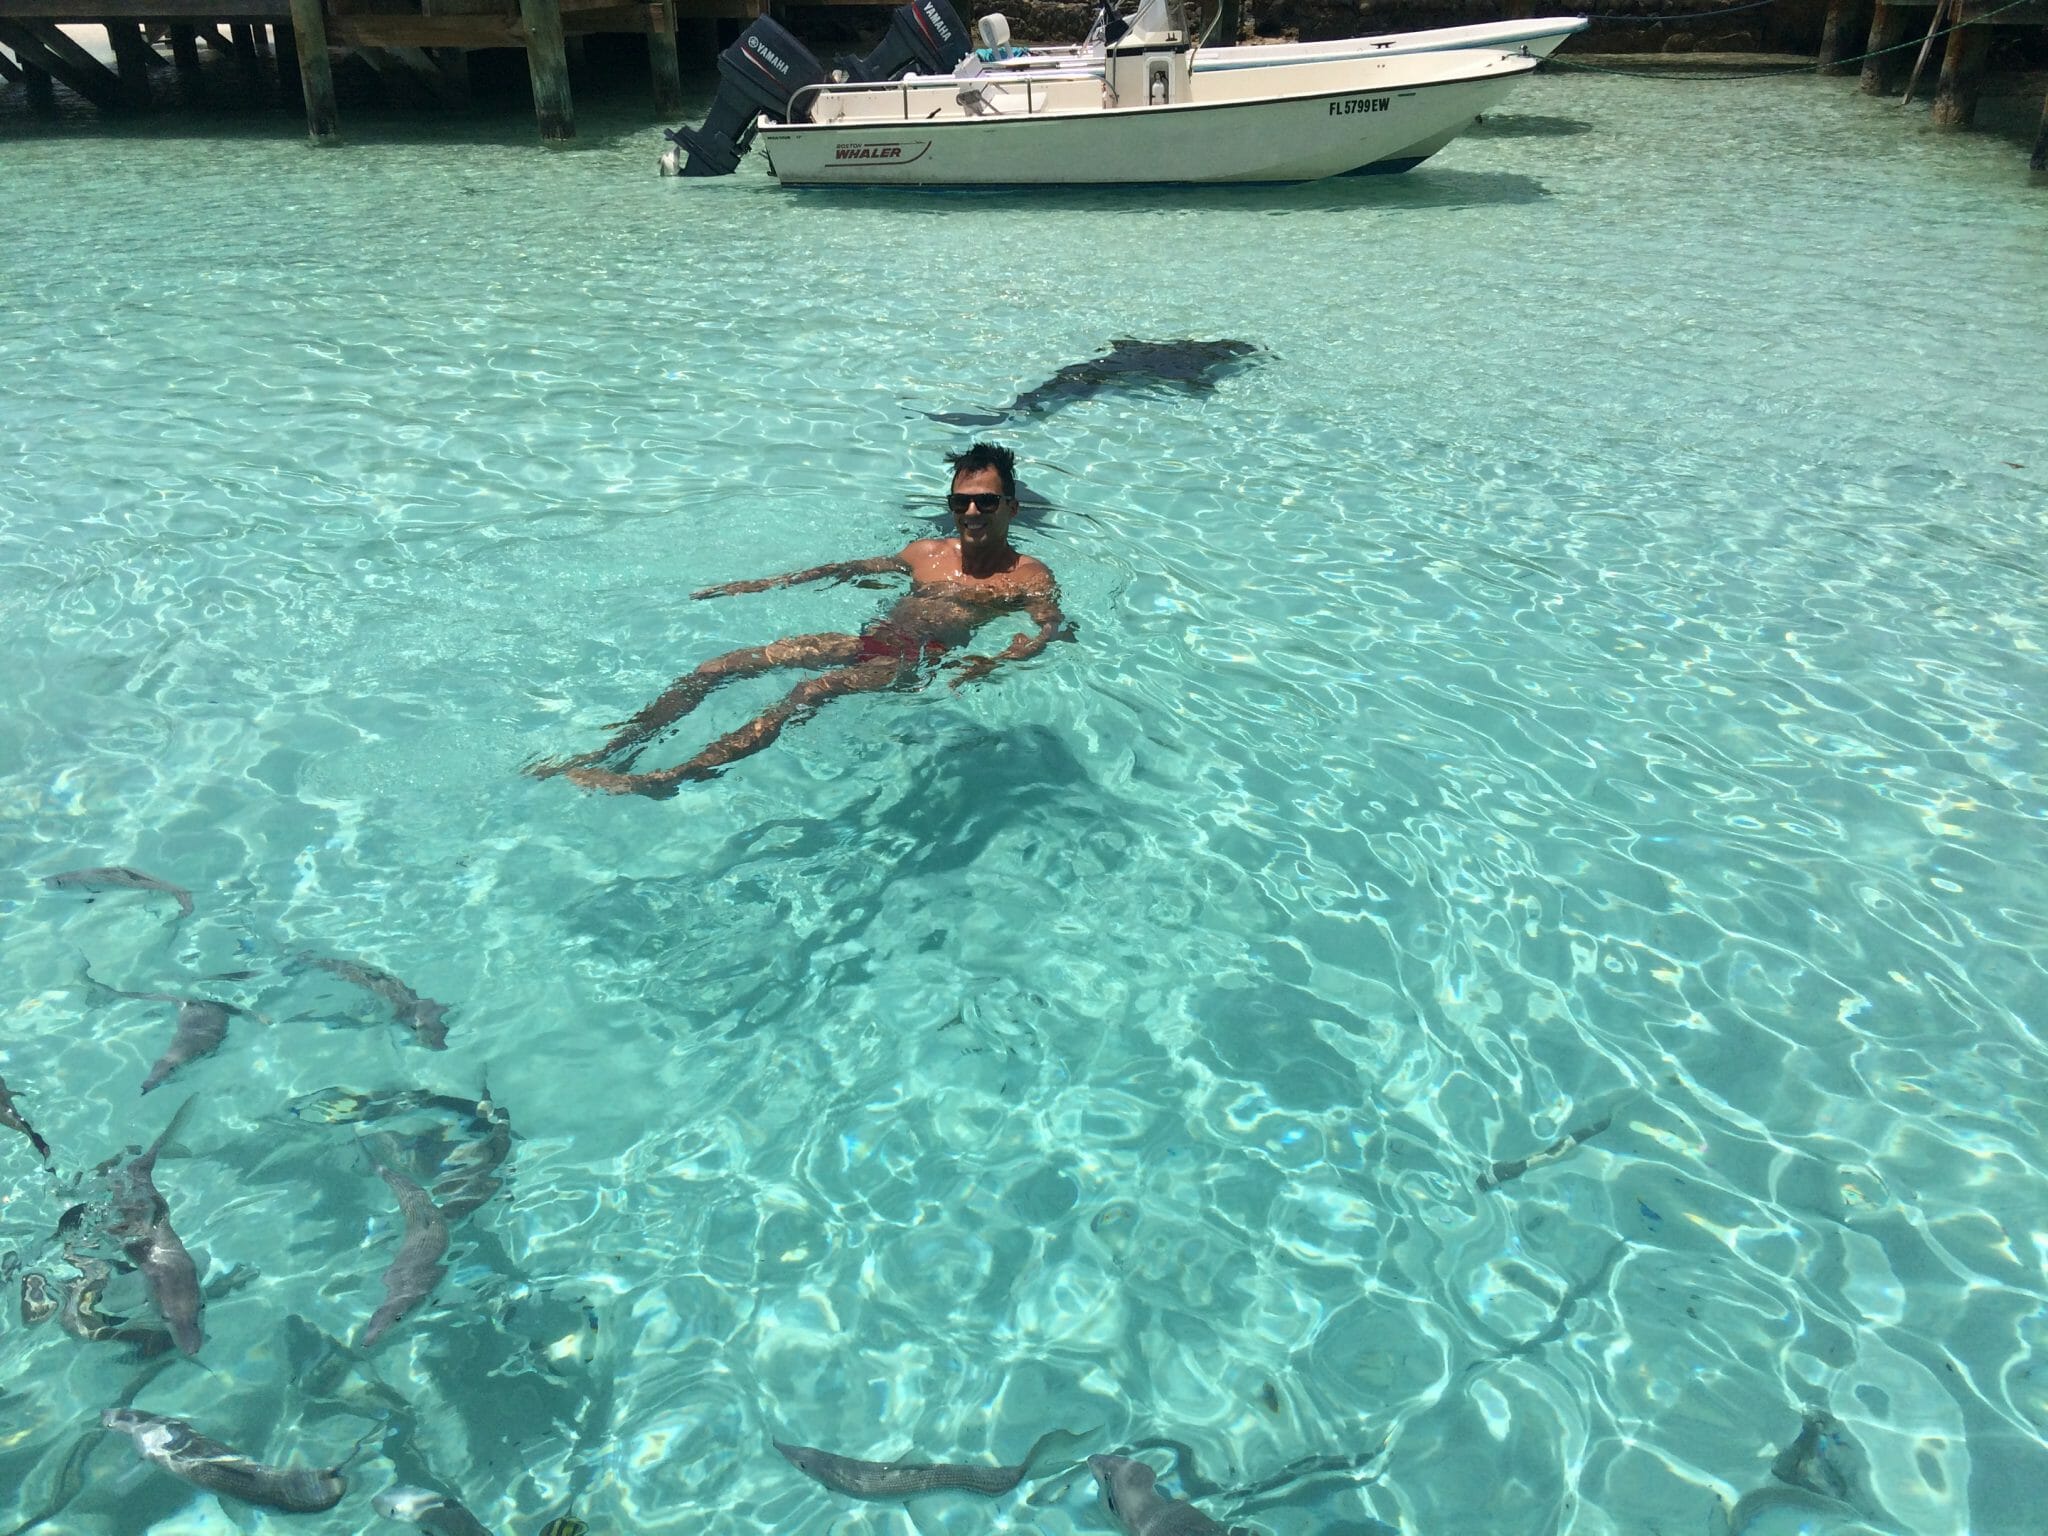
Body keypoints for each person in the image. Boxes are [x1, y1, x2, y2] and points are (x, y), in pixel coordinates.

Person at [529, 443, 1064, 798]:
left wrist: (1002, 658)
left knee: (808, 693)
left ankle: (669, 777)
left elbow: (1050, 626)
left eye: (985, 502)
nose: (971, 513)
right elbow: (848, 568)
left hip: (913, 661)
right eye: (960, 502)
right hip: (868, 640)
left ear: (1011, 508)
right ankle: (611, 748)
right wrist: (762, 584)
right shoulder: (926, 552)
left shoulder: (1026, 576)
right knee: (718, 666)